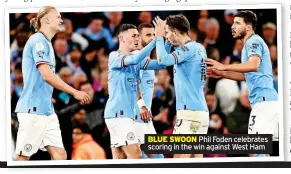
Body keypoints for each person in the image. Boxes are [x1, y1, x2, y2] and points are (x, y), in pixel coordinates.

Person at [13, 6, 90, 161]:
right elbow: (47, 75)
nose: (61, 20)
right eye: (58, 17)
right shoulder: (38, 41)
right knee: (23, 157)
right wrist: (75, 92)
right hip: (33, 109)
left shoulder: (47, 43)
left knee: (60, 156)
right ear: (46, 19)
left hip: (47, 110)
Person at [206, 10, 278, 157]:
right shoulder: (249, 45)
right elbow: (248, 75)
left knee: (257, 151)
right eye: (233, 23)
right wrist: (222, 73)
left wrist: (224, 66)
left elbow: (254, 65)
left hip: (264, 102)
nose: (233, 26)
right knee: (259, 152)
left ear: (249, 27)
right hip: (264, 102)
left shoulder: (253, 41)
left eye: (237, 23)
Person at [104, 23, 166, 159]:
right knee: (136, 157)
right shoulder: (115, 56)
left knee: (121, 159)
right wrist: (156, 39)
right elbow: (136, 58)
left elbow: (162, 63)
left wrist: (164, 41)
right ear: (121, 38)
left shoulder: (137, 60)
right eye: (134, 36)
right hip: (118, 114)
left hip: (127, 116)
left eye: (138, 36)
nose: (137, 39)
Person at [153, 15, 209, 158]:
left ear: (176, 32)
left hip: (189, 113)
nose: (166, 36)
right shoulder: (199, 47)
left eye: (167, 32)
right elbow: (166, 60)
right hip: (200, 112)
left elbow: (162, 60)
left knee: (180, 162)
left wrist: (159, 38)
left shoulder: (187, 50)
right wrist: (166, 40)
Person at [135, 23, 165, 159]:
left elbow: (163, 62)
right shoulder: (136, 57)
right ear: (138, 37)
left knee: (150, 156)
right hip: (137, 116)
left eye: (153, 35)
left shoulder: (146, 59)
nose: (152, 38)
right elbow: (134, 85)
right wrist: (142, 107)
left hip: (146, 117)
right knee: (154, 155)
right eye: (148, 35)